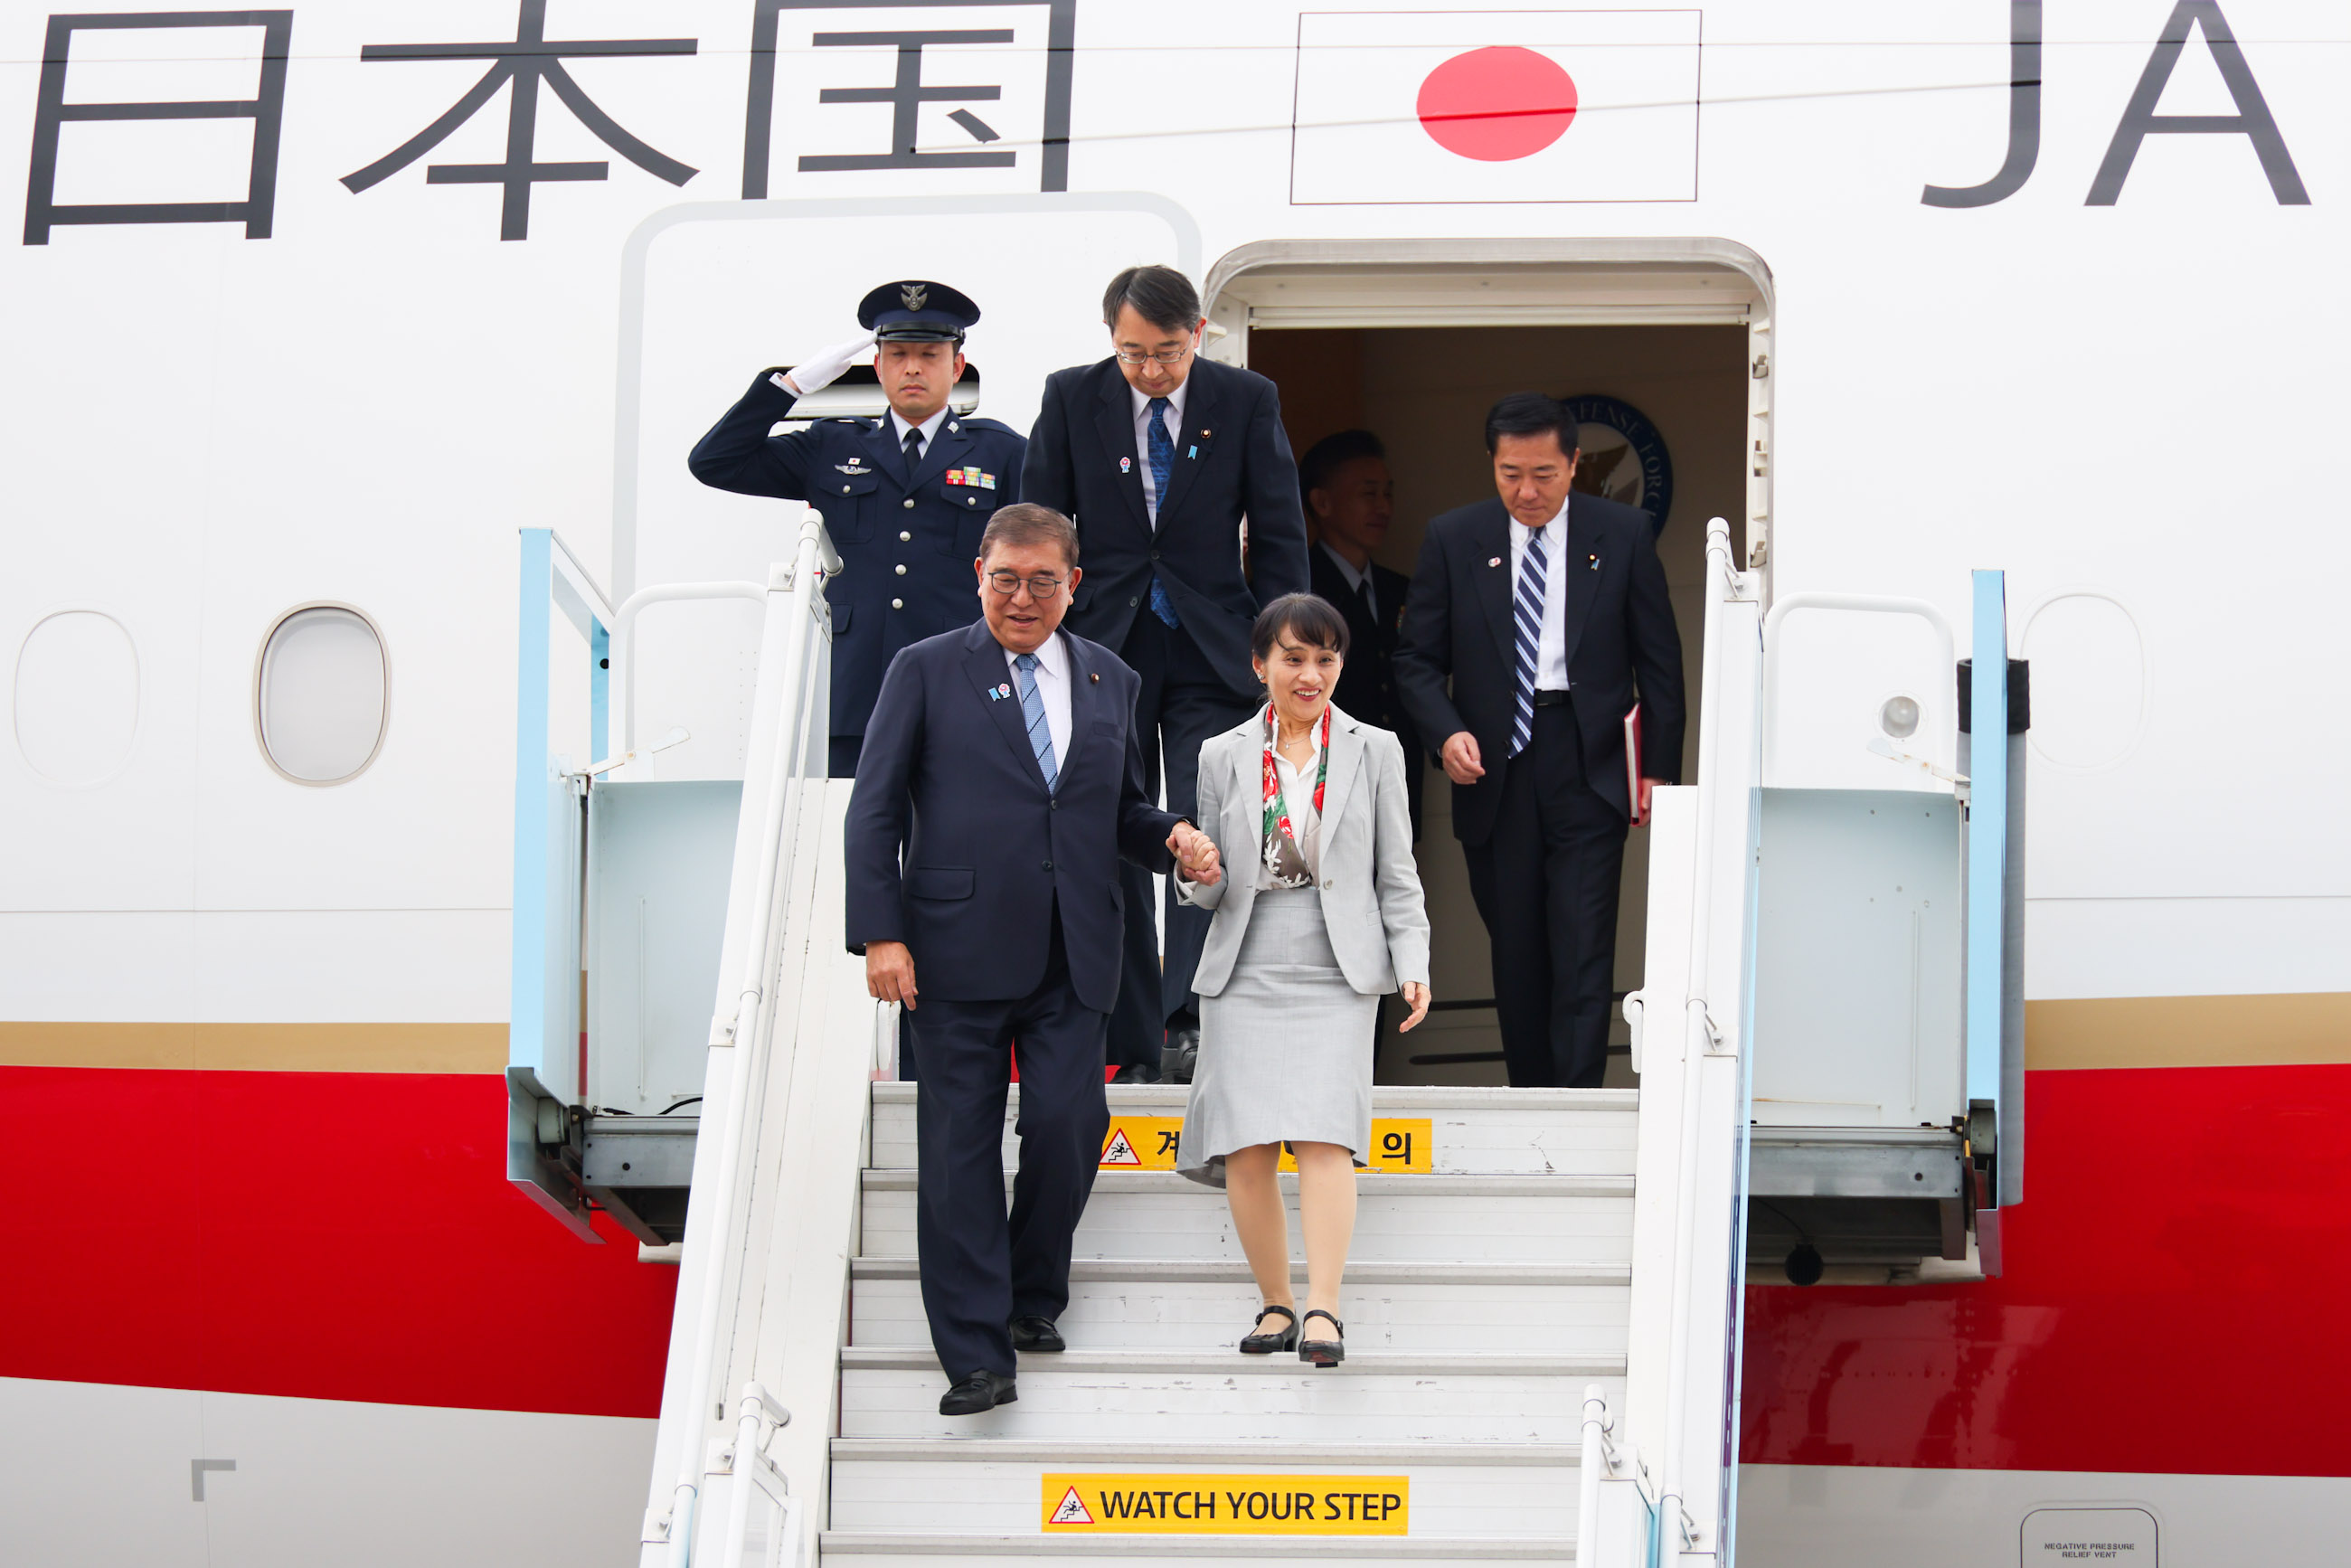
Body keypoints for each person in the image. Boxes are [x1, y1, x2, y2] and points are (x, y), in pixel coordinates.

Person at [844, 503, 1223, 1416]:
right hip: (951, 951)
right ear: (978, 572)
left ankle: (1030, 1292)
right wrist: (880, 933)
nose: (1021, 596)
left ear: (1072, 585)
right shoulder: (924, 668)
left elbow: (1114, 808)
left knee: (1067, 1125)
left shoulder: (1111, 677)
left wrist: (1169, 833)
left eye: (1041, 580)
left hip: (1074, 947)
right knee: (958, 1152)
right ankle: (976, 1355)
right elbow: (875, 808)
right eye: (1005, 577)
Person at [1022, 264, 1311, 1083]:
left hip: (1213, 645)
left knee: (1201, 824)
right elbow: (1039, 523)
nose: (1150, 370)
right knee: (1111, 824)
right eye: (1132, 353)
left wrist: (1286, 645)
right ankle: (1126, 1029)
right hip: (1101, 642)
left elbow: (1280, 529)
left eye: (1167, 353)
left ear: (1199, 336)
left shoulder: (1246, 398)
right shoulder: (1073, 396)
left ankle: (1189, 1019)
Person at [1393, 394, 1685, 1090]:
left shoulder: (1623, 533)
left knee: (1583, 945)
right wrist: (1447, 731)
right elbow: (1415, 661)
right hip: (1493, 765)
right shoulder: (1454, 537)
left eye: (1545, 474)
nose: (1527, 491)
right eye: (1511, 473)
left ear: (1575, 464)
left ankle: (1578, 1101)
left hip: (1589, 761)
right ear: (1492, 465)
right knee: (1518, 952)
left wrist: (1660, 773)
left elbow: (1661, 663)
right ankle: (1531, 1097)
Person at [1173, 592, 1431, 1368]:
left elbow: (1397, 871)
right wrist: (1197, 871)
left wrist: (1411, 962)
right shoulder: (1220, 754)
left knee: (1326, 1135)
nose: (1311, 673)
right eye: (1293, 658)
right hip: (1246, 956)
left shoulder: (1376, 748)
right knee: (1247, 1146)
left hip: (1337, 960)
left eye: (1325, 658)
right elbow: (1212, 883)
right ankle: (1275, 1302)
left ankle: (1325, 1307)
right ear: (1260, 666)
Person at [688, 279, 1024, 779]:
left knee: (957, 845)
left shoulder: (1001, 451)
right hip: (852, 689)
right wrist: (790, 387)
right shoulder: (832, 445)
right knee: (850, 842)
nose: (913, 367)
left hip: (961, 683)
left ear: (956, 367)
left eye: (930, 355)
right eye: (899, 354)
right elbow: (714, 462)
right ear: (878, 365)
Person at [1300, 429, 1423, 843]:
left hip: (1397, 774)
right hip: (1325, 776)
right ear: (1322, 502)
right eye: (1368, 494)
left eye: (1387, 494)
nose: (1382, 507)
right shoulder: (1302, 590)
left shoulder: (1401, 589)